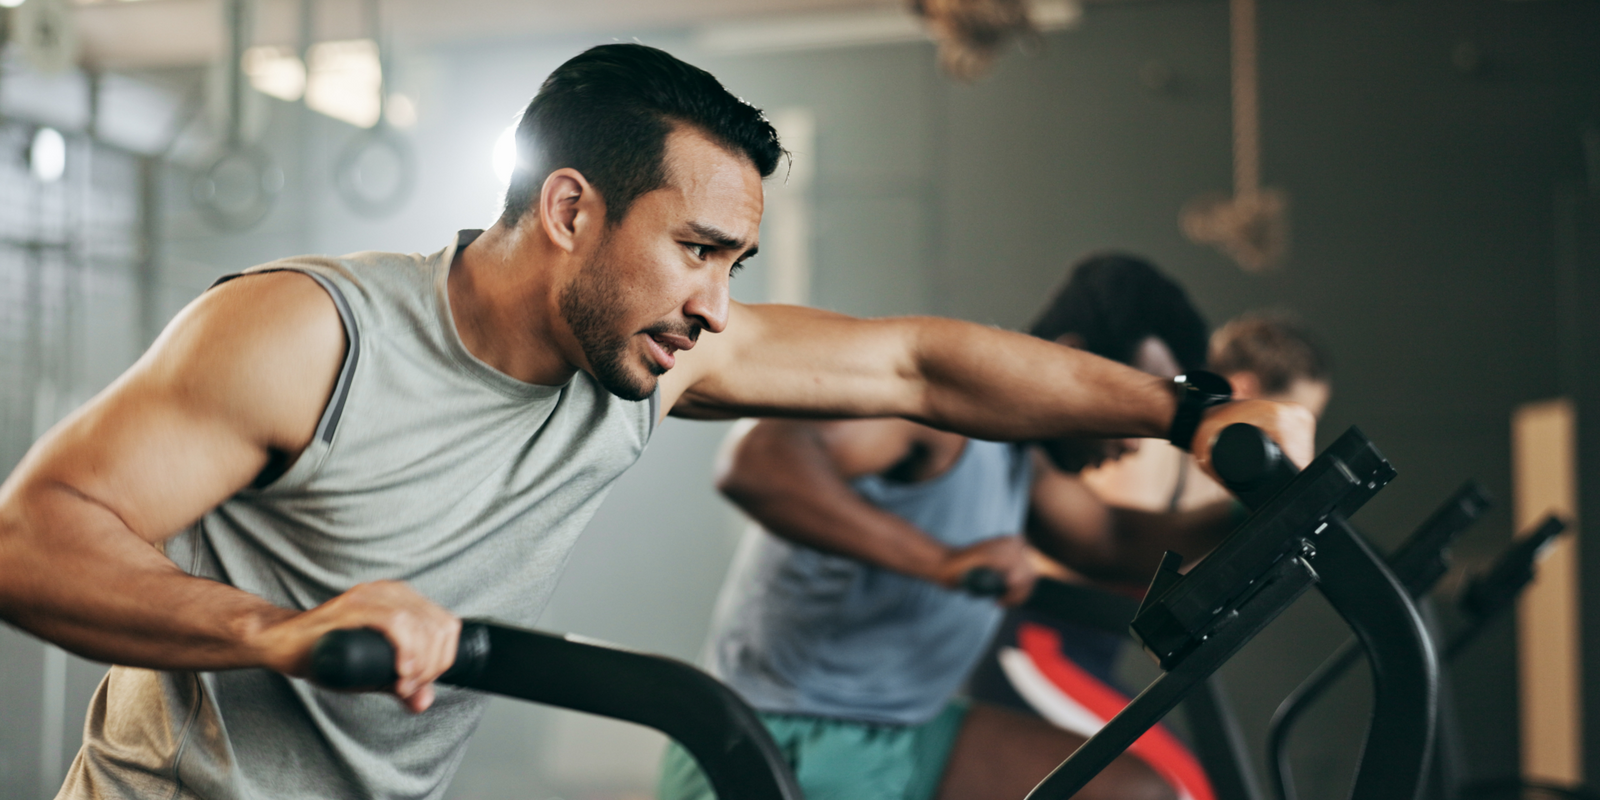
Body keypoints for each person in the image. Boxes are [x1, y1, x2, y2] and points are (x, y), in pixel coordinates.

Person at [0, 44, 1309, 800]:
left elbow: (918, 365)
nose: (717, 302)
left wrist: (1185, 409)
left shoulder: (653, 353)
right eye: (695, 249)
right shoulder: (308, 337)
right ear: (570, 210)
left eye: (734, 262)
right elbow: (31, 536)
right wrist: (280, 633)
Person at [659, 255, 1252, 800]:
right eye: (1130, 399)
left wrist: (1254, 504)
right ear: (1077, 360)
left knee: (1130, 795)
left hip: (908, 733)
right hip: (774, 734)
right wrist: (939, 560)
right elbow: (756, 465)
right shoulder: (941, 417)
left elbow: (1114, 542)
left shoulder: (1029, 461)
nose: (1134, 438)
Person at [968, 308, 1334, 800]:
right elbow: (1107, 548)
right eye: (1292, 418)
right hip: (1038, 648)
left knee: (1195, 787)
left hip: (1083, 654)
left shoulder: (1205, 473)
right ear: (1245, 388)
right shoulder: (1145, 451)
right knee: (1185, 791)